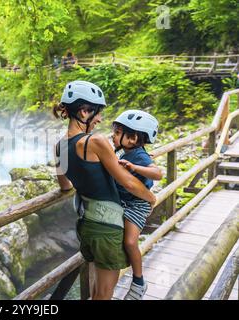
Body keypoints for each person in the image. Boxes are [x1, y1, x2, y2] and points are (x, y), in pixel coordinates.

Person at [53, 81, 156, 300]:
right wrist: (151, 197)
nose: (100, 120)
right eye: (97, 114)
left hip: (87, 227)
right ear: (84, 112)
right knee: (104, 294)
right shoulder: (95, 142)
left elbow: (65, 186)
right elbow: (127, 182)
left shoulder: (59, 146)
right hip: (108, 227)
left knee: (96, 292)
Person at [111, 110, 163, 300]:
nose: (113, 136)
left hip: (137, 204)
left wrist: (134, 168)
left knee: (130, 242)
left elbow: (158, 173)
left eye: (117, 133)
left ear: (132, 138)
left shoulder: (139, 155)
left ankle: (139, 281)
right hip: (123, 201)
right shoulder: (122, 150)